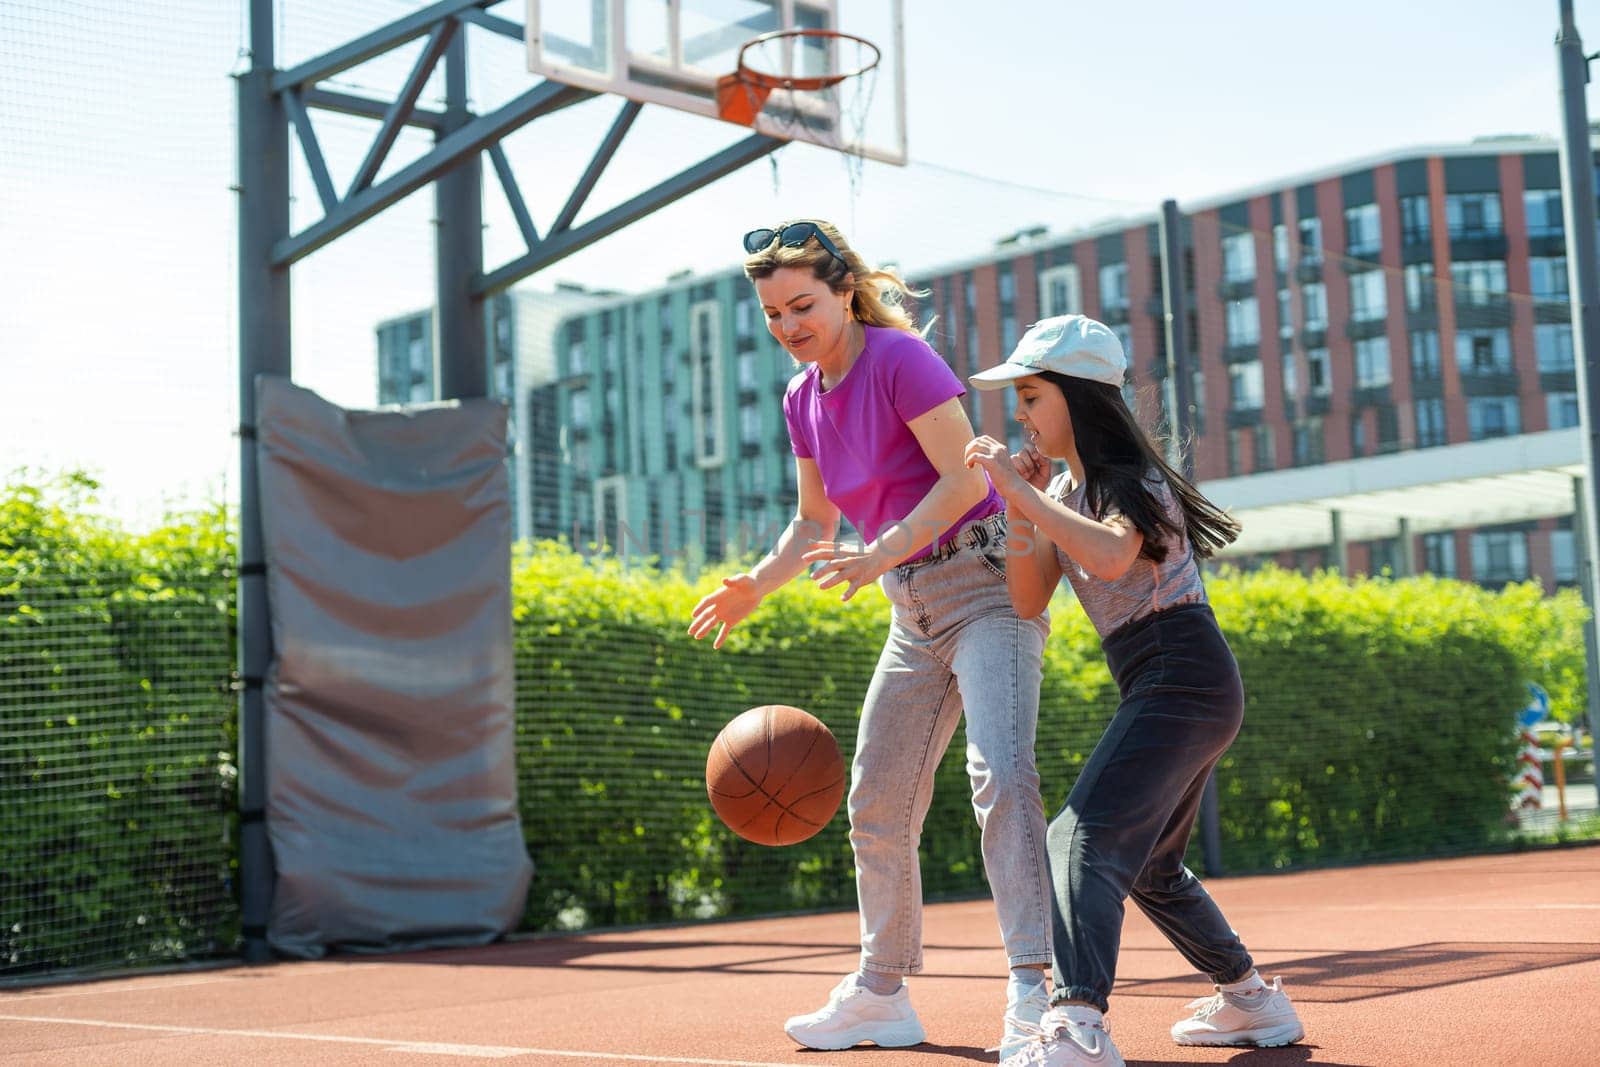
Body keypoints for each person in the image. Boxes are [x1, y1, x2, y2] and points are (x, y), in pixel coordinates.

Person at [687, 220, 1053, 1059]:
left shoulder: (900, 361)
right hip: (911, 606)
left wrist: (881, 549)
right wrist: (755, 585)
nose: (788, 327)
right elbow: (813, 521)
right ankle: (882, 992)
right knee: (876, 802)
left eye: (803, 305)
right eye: (774, 313)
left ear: (846, 290)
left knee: (1001, 775)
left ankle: (1037, 988)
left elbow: (967, 477)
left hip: (988, 584)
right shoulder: (800, 398)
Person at [961, 315, 1305, 1067]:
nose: (1020, 412)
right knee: (1149, 865)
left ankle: (1078, 1023)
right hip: (1169, 680)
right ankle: (1252, 998)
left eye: (1030, 394)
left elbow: (1114, 556)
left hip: (1182, 669)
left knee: (1075, 838)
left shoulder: (1130, 480)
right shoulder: (1062, 487)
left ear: (1079, 397)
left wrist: (1020, 486)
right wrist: (1019, 504)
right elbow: (1027, 598)